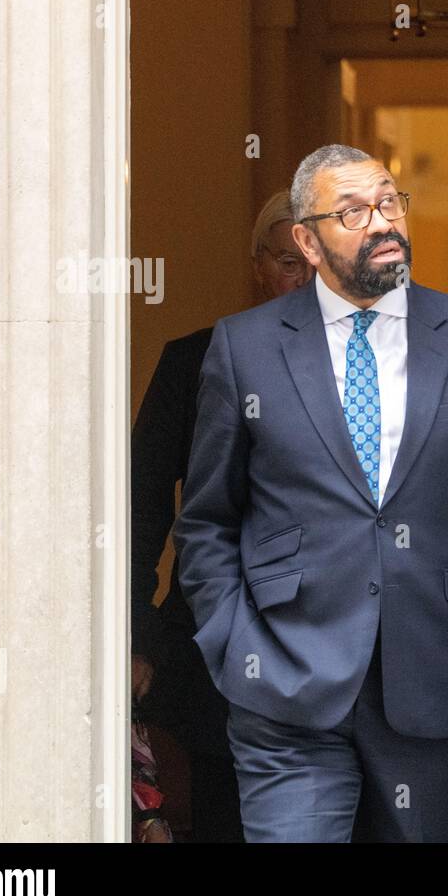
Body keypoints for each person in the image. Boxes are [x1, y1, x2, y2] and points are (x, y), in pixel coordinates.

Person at [173, 144, 448, 842]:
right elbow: (207, 520)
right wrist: (235, 646)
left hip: (429, 683)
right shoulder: (244, 347)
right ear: (306, 242)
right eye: (353, 212)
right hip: (283, 687)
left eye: (389, 202)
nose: (383, 222)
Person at [130, 190, 312, 842]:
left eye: (322, 258)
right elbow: (141, 503)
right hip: (216, 659)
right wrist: (136, 632)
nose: (307, 278)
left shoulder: (384, 368)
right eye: (290, 261)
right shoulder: (193, 364)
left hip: (343, 661)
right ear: (258, 267)